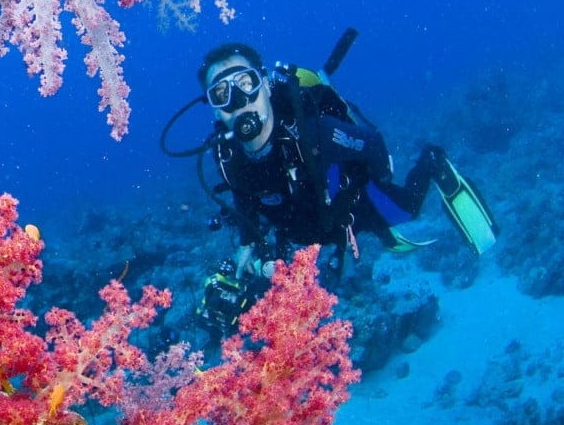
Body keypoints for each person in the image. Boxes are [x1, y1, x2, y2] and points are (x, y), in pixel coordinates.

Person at [187, 40, 498, 336]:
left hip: (347, 204)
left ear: (266, 85)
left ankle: (432, 160)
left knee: (406, 211)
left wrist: (380, 178)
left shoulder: (316, 133)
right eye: (221, 93)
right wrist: (247, 242)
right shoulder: (226, 155)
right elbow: (241, 193)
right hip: (298, 221)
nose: (238, 101)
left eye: (245, 83)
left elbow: (371, 144)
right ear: (215, 109)